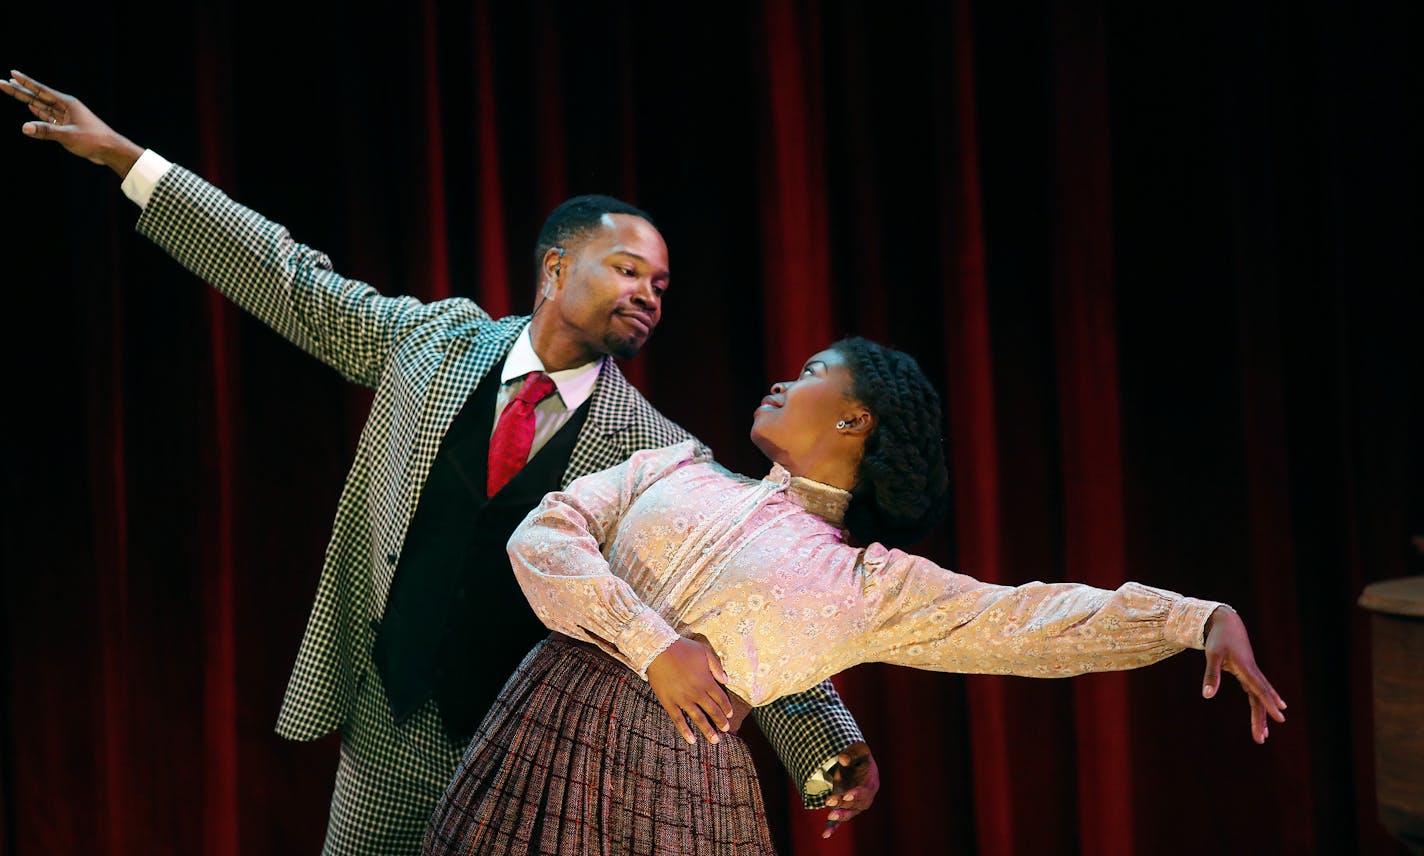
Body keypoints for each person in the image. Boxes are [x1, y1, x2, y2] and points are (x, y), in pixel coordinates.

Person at [1, 71, 881, 853]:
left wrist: (825, 742)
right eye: (625, 269)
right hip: (384, 722)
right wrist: (129, 161)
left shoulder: (654, 448)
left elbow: (743, 591)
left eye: (659, 286)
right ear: (553, 269)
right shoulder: (432, 342)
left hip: (521, 757)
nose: (647, 294)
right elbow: (286, 277)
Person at [424, 337, 1287, 856]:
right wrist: (654, 646)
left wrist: (1192, 617)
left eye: (809, 370)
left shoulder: (862, 584)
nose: (780, 380)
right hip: (536, 729)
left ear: (854, 420)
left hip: (676, 784)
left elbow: (1026, 617)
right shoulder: (675, 466)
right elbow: (540, 538)